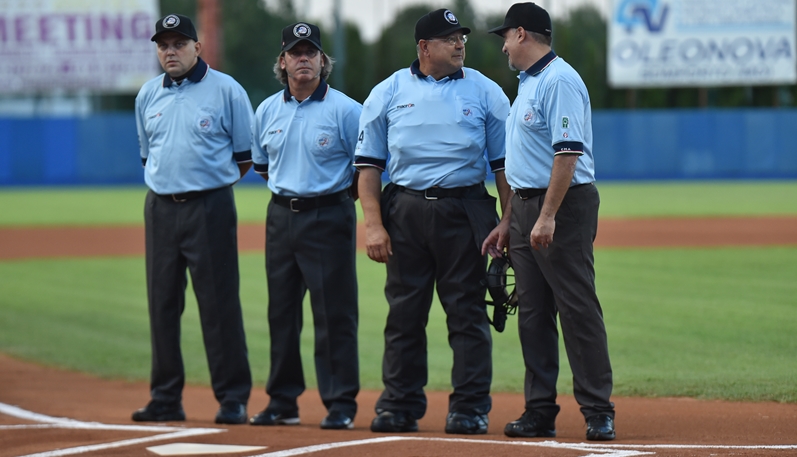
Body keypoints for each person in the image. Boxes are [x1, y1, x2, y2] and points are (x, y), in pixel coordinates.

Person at [356, 9, 511, 435]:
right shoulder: (388, 91)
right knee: (404, 314)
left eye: (461, 37)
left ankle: (470, 406)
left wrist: (509, 219)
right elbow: (368, 168)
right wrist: (373, 224)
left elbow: (504, 169)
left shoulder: (486, 91)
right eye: (449, 38)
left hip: (465, 210)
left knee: (467, 314)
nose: (460, 44)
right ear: (424, 47)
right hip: (403, 211)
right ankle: (399, 405)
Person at [483, 2, 616, 441]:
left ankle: (598, 409)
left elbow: (567, 155)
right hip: (524, 208)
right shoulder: (529, 83)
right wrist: (510, 220)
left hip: (561, 207)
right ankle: (539, 409)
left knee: (576, 307)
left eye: (505, 36)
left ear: (522, 34)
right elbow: (527, 160)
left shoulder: (559, 80)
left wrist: (547, 216)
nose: (502, 46)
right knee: (533, 312)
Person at [132, 13, 253, 425]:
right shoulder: (148, 95)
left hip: (210, 207)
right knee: (162, 304)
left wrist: (208, 186)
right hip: (161, 207)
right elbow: (149, 156)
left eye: (178, 43)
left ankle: (233, 398)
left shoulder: (227, 91)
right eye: (163, 45)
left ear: (196, 47)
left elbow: (244, 158)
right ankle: (166, 397)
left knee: (219, 305)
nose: (170, 51)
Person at [248, 22, 362, 430]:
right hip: (280, 215)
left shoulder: (346, 110)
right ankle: (282, 401)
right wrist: (291, 196)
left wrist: (329, 200)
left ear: (321, 60)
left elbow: (364, 168)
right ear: (283, 61)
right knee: (280, 313)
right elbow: (264, 167)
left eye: (310, 52)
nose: (303, 59)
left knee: (334, 314)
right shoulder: (266, 110)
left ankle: (340, 403)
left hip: (329, 214)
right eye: (295, 52)